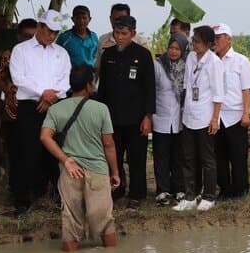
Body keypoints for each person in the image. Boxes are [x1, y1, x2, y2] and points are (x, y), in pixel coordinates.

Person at [40, 65, 120, 252]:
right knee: (105, 220)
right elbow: (109, 145)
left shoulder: (56, 109)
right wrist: (115, 172)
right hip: (98, 171)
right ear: (88, 85)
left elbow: (45, 137)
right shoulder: (101, 109)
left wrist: (66, 160)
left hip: (70, 172)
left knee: (71, 221)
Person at [9, 9, 71, 216]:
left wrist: (51, 95)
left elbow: (65, 80)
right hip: (30, 106)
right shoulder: (21, 50)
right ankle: (22, 200)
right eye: (49, 31)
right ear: (40, 27)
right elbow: (18, 78)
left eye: (56, 32)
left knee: (56, 150)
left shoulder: (61, 53)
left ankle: (59, 194)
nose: (52, 36)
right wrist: (41, 93)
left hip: (55, 106)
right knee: (27, 150)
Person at [96, 15, 155, 209]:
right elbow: (102, 88)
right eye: (116, 33)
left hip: (137, 117)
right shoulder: (108, 55)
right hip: (112, 117)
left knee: (137, 157)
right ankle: (118, 189)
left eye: (124, 34)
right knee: (114, 156)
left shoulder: (143, 55)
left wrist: (148, 116)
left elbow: (150, 88)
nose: (119, 37)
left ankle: (137, 195)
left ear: (133, 34)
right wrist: (99, 116)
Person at [173, 25, 224, 212]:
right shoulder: (191, 59)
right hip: (189, 115)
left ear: (209, 44)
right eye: (193, 40)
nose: (194, 44)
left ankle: (209, 196)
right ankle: (190, 196)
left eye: (198, 41)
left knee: (207, 159)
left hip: (206, 115)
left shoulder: (214, 62)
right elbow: (187, 87)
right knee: (188, 157)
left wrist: (215, 119)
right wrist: (182, 112)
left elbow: (219, 93)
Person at [212, 23, 250, 199]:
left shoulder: (241, 61)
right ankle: (224, 188)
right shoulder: (210, 60)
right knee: (219, 154)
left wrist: (246, 113)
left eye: (218, 38)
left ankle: (241, 188)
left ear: (228, 39)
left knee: (237, 154)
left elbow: (246, 89)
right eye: (213, 38)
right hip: (216, 116)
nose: (215, 41)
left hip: (235, 115)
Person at [0, 18, 38, 200]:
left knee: (37, 149)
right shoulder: (9, 55)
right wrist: (9, 90)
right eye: (27, 36)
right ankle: (16, 190)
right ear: (19, 35)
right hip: (14, 110)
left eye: (34, 36)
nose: (31, 40)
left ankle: (36, 188)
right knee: (16, 151)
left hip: (37, 110)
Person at [152, 33, 188, 205]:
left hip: (180, 119)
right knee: (161, 156)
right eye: (171, 48)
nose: (173, 52)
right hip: (161, 117)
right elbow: (151, 91)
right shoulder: (158, 66)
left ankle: (179, 189)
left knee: (178, 156)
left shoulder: (186, 66)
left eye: (177, 48)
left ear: (183, 50)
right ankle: (162, 190)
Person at [94, 4, 149, 74]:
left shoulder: (141, 42)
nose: (120, 22)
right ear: (110, 19)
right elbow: (98, 68)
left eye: (123, 19)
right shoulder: (103, 40)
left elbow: (147, 73)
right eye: (116, 19)